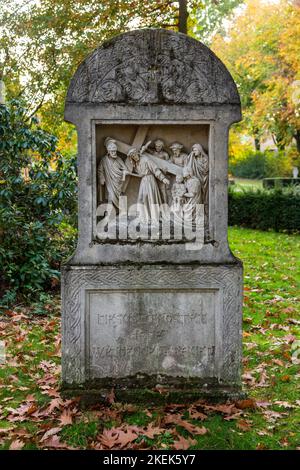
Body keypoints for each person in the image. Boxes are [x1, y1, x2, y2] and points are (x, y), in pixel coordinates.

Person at [127, 144, 170, 222]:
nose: (134, 157)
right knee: (141, 198)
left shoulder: (146, 159)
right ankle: (144, 216)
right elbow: (140, 174)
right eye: (132, 157)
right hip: (143, 181)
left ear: (137, 153)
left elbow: (155, 169)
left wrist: (163, 178)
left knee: (151, 198)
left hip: (150, 180)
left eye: (135, 155)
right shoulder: (136, 164)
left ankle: (153, 217)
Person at [97, 137, 128, 209]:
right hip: (109, 181)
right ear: (108, 151)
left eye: (115, 151)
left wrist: (124, 172)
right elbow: (100, 170)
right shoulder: (104, 160)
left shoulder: (118, 159)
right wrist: (101, 178)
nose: (114, 153)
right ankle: (110, 212)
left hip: (118, 182)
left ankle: (118, 211)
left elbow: (125, 168)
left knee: (118, 196)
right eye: (112, 151)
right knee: (110, 196)